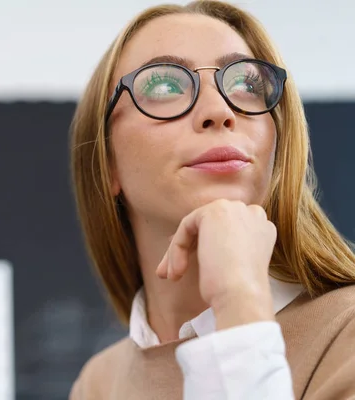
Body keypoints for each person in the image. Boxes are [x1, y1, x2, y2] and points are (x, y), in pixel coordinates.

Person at [68, 1, 355, 399]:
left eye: (246, 85)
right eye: (164, 85)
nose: (219, 111)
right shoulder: (98, 383)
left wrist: (239, 299)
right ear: (107, 162)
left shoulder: (346, 332)